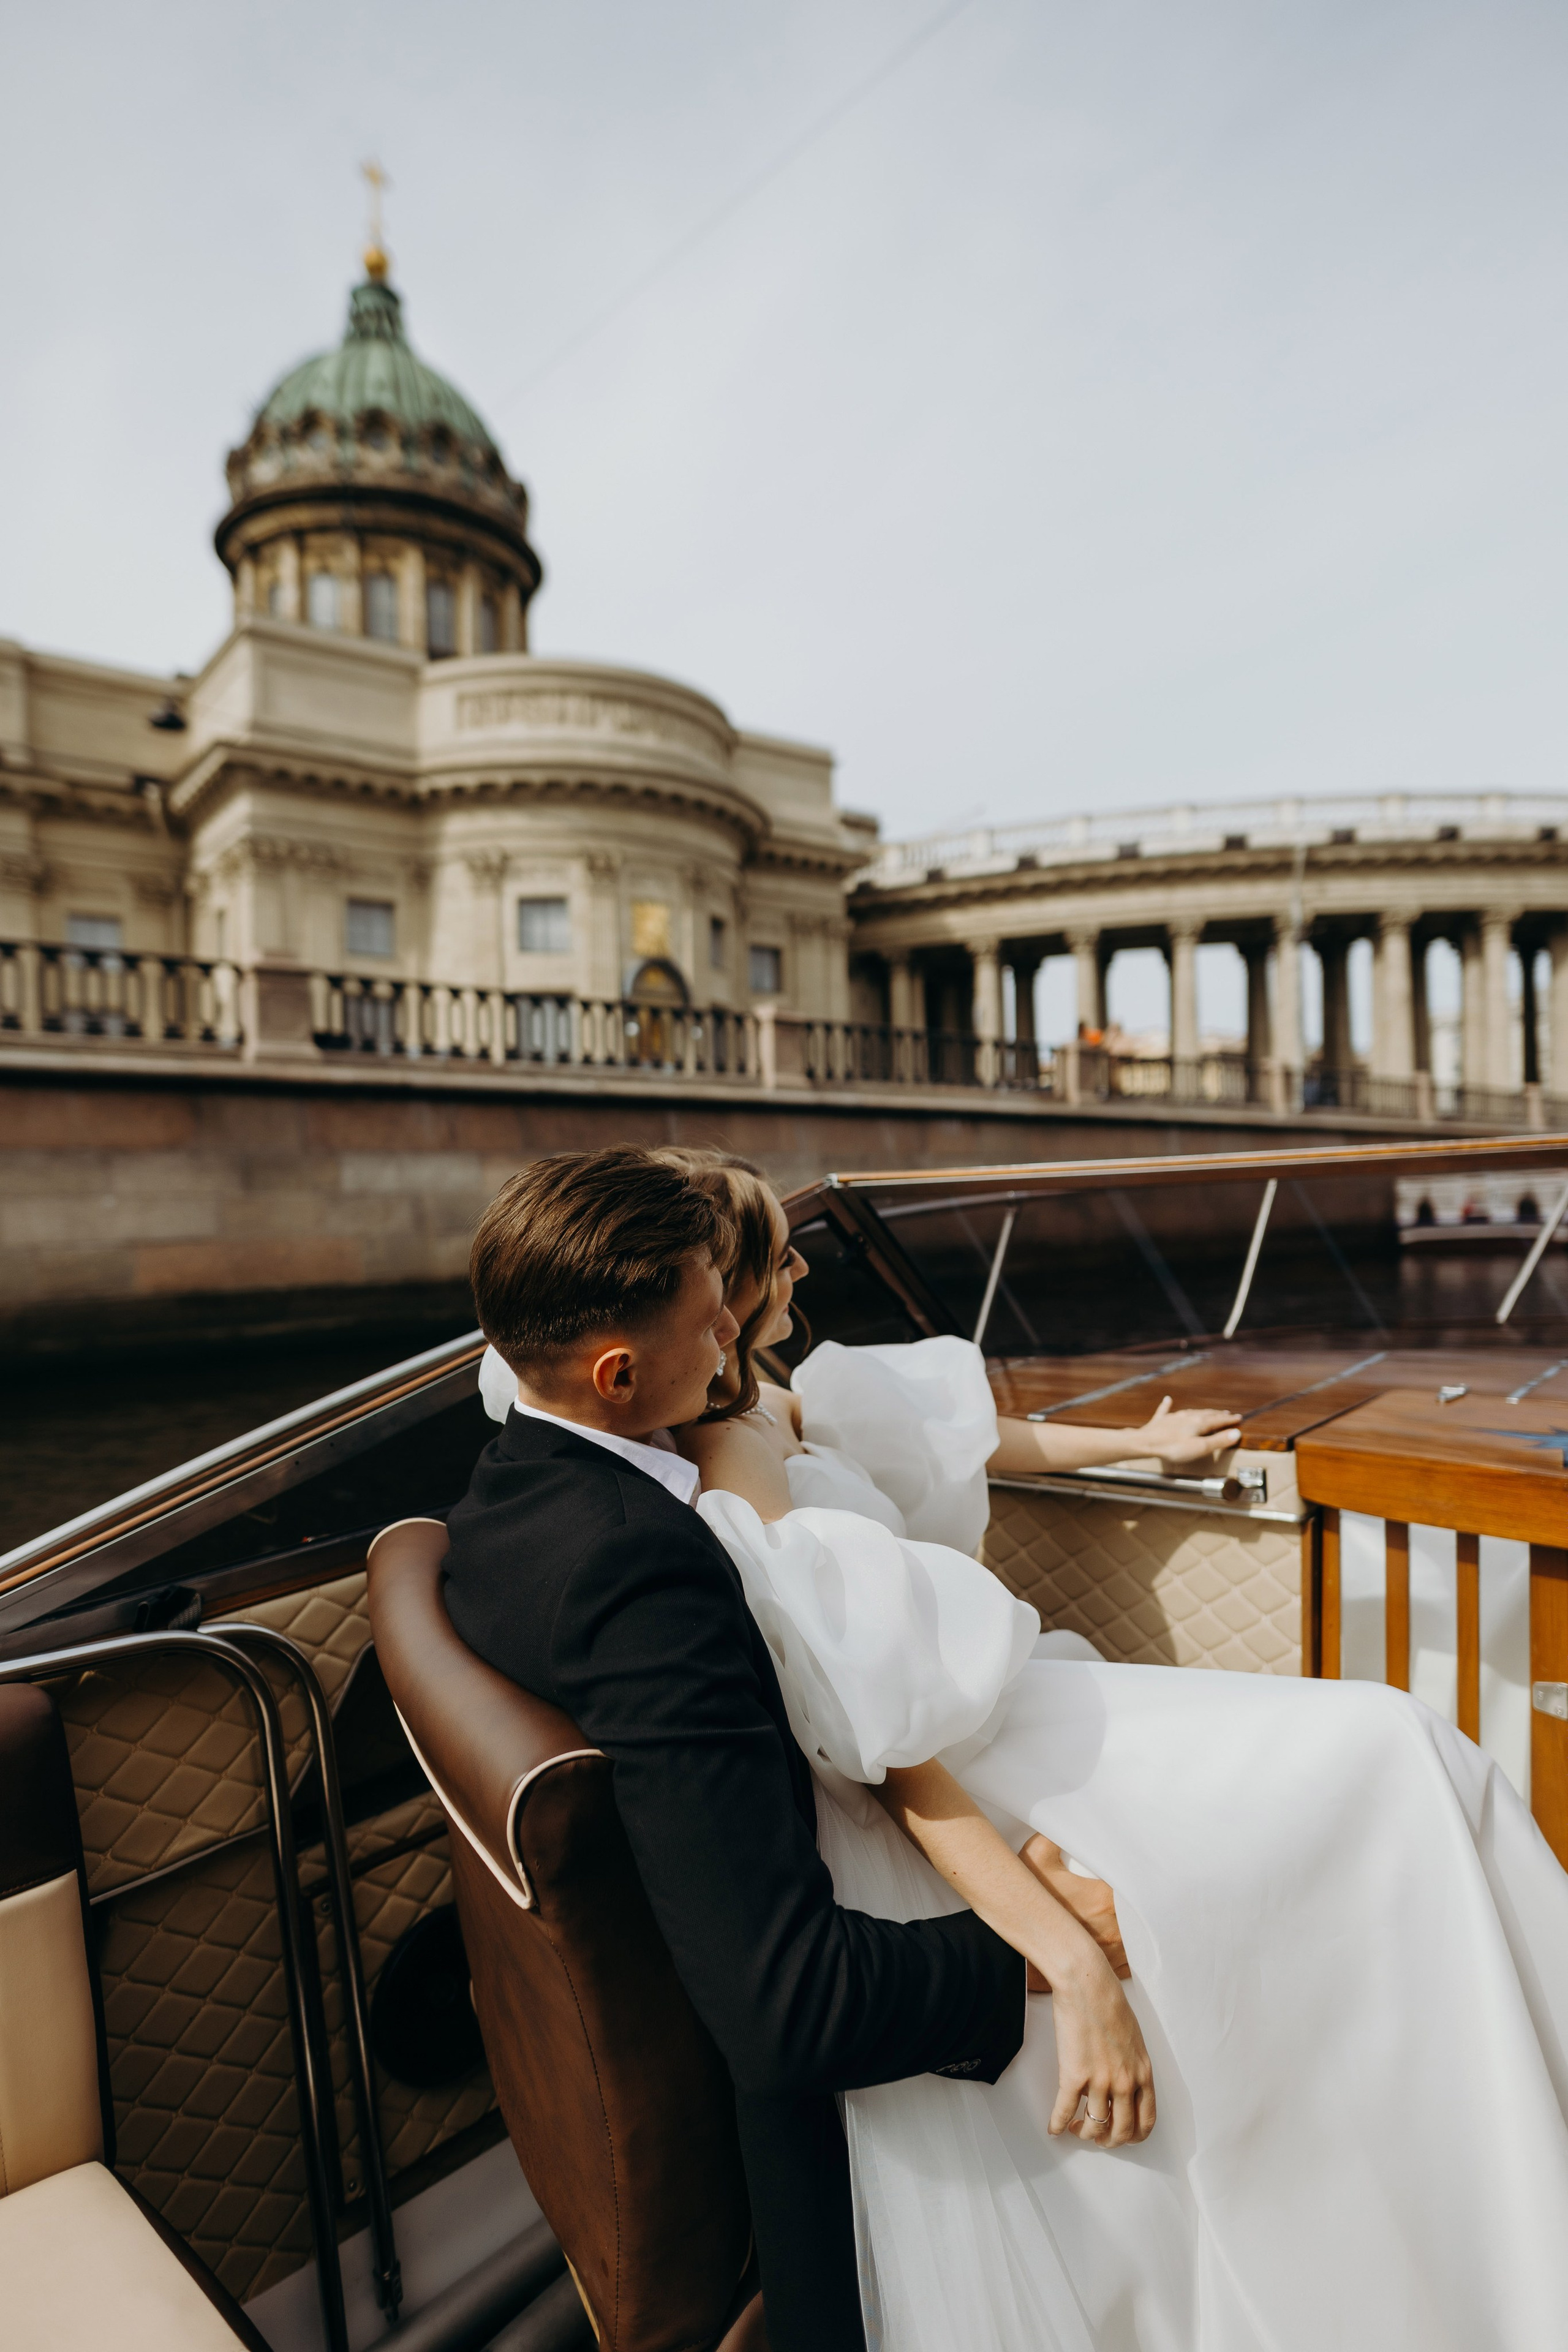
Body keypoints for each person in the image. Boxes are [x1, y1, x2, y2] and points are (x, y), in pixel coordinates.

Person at [627, 1148, 1568, 2352]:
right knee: (1382, 1749)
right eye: (778, 1254)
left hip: (1016, 1711)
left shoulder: (765, 1400)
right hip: (957, 1769)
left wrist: (1146, 1446)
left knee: (1395, 1745)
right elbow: (887, 1744)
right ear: (725, 1297)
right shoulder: (730, 1465)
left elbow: (973, 1447)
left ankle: (1501, 2103)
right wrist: (1062, 1951)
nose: (805, 1260)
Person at [445, 1146, 1028, 2352]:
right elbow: (786, 2011)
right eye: (709, 1318)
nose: (735, 1327)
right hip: (806, 2124)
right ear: (615, 1373)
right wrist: (1032, 1959)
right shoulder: (642, 1573)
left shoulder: (502, 1498)